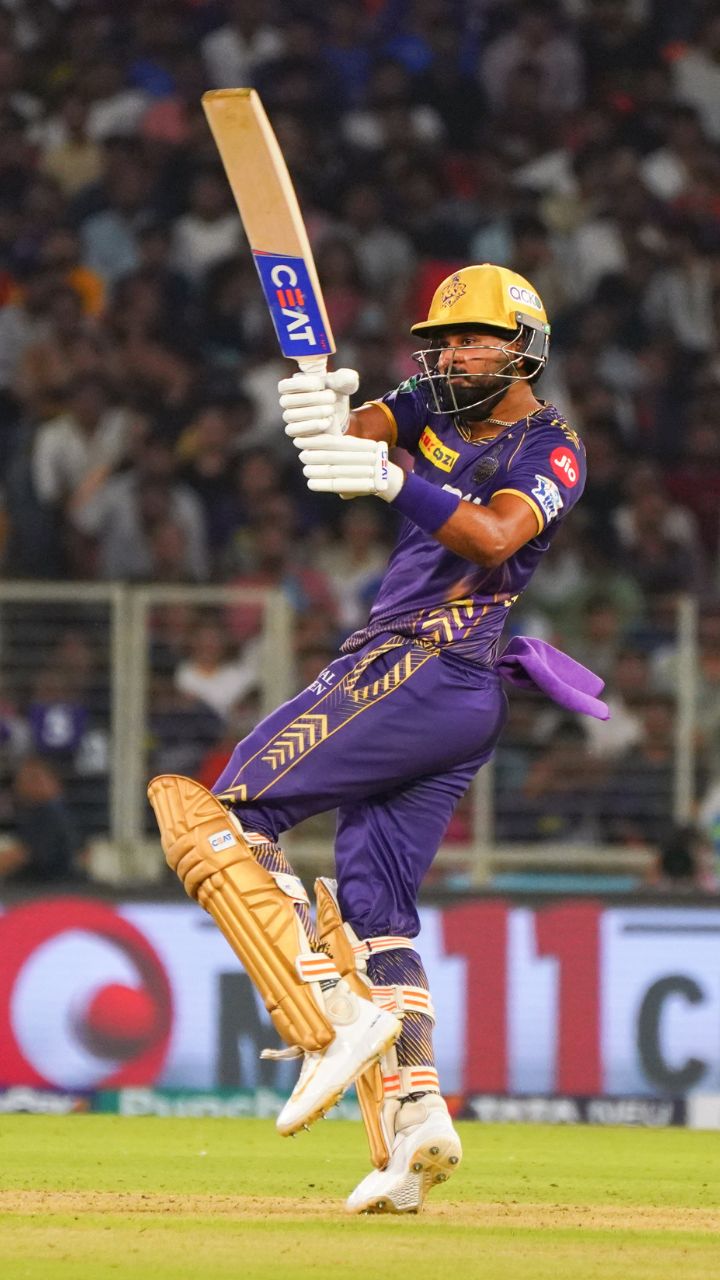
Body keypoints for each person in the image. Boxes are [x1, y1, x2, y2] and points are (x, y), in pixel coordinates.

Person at [148, 263, 606, 1214]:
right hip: (446, 690)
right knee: (375, 915)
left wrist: (394, 478)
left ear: (525, 350)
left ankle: (328, 1011)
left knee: (227, 813)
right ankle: (416, 1121)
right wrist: (323, 414)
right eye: (442, 340)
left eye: (473, 340)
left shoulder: (553, 448)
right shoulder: (427, 402)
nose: (451, 355)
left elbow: (493, 538)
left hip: (426, 661)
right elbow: (355, 437)